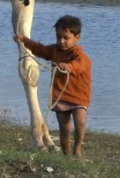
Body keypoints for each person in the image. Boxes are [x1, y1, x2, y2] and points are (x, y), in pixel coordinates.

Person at [13, 15, 92, 157]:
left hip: (79, 96)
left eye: (66, 38)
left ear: (77, 38)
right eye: (58, 37)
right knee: (64, 127)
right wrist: (24, 41)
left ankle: (78, 147)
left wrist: (69, 66)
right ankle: (66, 153)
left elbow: (81, 65)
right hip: (60, 95)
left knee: (80, 121)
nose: (61, 41)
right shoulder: (54, 50)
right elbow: (40, 49)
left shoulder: (80, 55)